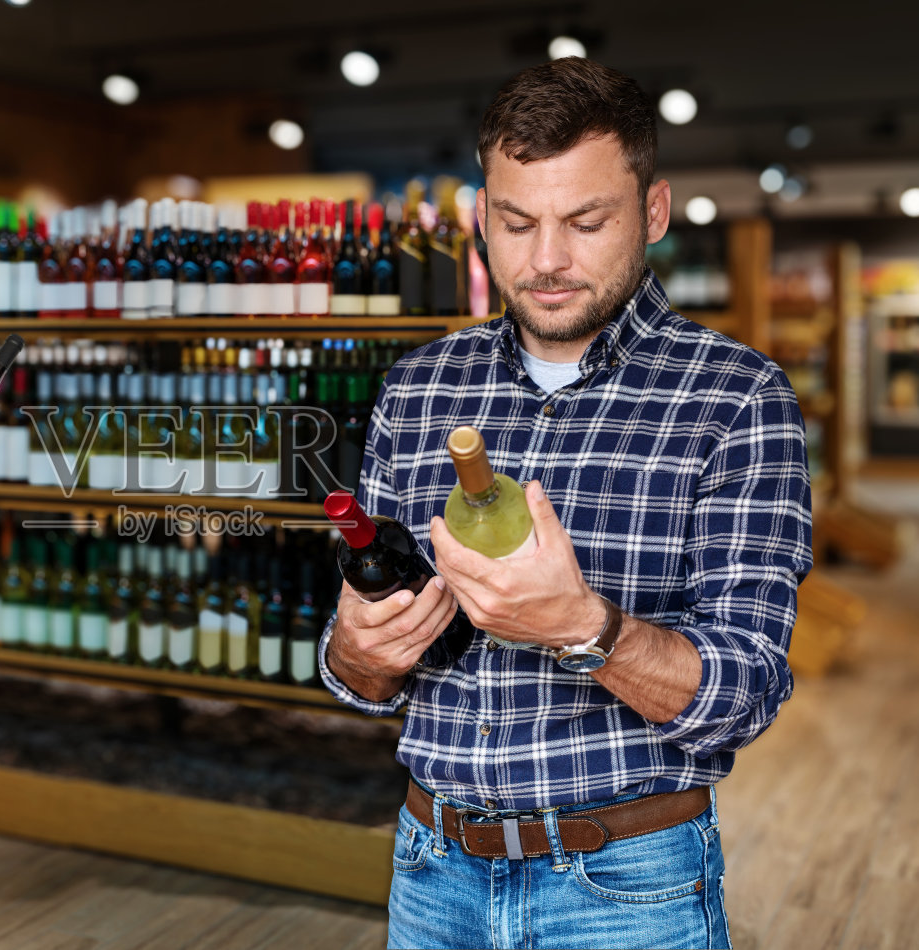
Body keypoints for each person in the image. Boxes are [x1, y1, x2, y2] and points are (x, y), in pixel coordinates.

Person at [320, 59, 810, 950]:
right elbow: (360, 673)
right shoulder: (420, 388)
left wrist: (586, 627)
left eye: (587, 221)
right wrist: (359, 649)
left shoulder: (737, 399)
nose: (546, 260)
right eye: (516, 222)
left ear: (652, 213)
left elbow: (746, 692)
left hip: (626, 889)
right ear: (481, 217)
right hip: (431, 872)